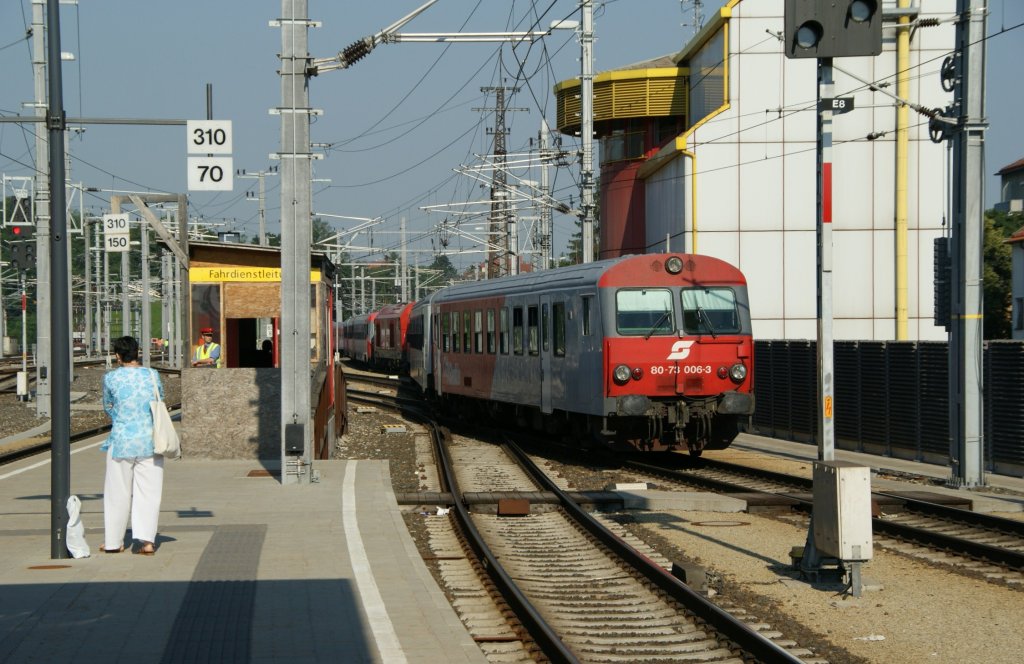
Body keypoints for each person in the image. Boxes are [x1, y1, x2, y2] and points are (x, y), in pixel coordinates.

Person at [100, 336, 164, 556]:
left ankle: (113, 542)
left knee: (117, 492)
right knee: (149, 492)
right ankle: (147, 542)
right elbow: (160, 400)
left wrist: (120, 417)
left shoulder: (111, 378)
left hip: (121, 441)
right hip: (150, 441)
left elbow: (108, 405)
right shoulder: (152, 375)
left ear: (117, 356)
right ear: (137, 353)